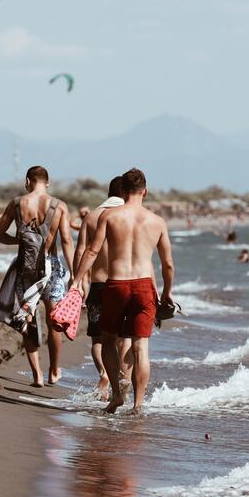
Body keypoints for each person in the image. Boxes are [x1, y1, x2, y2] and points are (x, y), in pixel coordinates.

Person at [71, 168, 175, 414]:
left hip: (116, 284)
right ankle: (138, 405)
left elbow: (93, 251)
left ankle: (117, 396)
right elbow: (167, 264)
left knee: (107, 340)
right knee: (141, 348)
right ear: (145, 192)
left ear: (122, 191)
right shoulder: (157, 221)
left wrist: (76, 280)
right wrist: (167, 293)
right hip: (144, 286)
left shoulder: (109, 216)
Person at [0, 166, 75, 386]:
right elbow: (66, 241)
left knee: (28, 316)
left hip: (25, 267)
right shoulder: (59, 206)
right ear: (47, 182)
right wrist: (76, 274)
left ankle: (37, 374)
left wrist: (19, 240)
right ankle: (54, 370)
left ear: (27, 181)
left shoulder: (17, 203)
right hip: (52, 267)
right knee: (54, 320)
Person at [74, 176, 132, 400]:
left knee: (99, 339)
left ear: (108, 193)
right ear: (126, 193)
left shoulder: (91, 217)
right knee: (124, 339)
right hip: (125, 283)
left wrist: (78, 281)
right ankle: (124, 385)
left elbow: (81, 251)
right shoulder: (128, 217)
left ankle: (104, 374)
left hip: (98, 285)